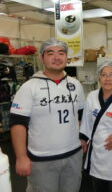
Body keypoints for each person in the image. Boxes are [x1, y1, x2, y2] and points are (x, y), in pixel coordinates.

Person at [9, 38, 85, 192]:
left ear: (66, 57)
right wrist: (21, 157)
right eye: (51, 53)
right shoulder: (29, 87)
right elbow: (18, 124)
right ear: (42, 57)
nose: (57, 57)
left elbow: (81, 114)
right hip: (42, 159)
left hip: (73, 156)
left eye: (61, 53)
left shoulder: (75, 85)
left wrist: (82, 137)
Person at [79, 61, 112, 192]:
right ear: (99, 78)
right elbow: (86, 121)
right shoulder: (92, 96)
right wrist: (83, 139)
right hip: (96, 151)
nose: (108, 79)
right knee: (97, 186)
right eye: (104, 75)